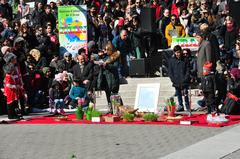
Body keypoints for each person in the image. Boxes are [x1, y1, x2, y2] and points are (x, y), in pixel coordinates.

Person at [97, 42, 120, 114]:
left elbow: (115, 67)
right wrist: (100, 62)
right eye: (105, 50)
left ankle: (117, 109)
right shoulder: (106, 57)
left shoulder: (116, 57)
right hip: (106, 79)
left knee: (114, 95)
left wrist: (107, 65)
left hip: (113, 79)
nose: (105, 51)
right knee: (108, 94)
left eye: (107, 50)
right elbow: (102, 64)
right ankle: (110, 109)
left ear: (111, 50)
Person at [168, 45, 191, 115]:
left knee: (185, 94)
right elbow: (170, 72)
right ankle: (180, 105)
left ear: (181, 52)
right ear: (174, 53)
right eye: (176, 52)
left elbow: (188, 70)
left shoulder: (185, 59)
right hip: (176, 80)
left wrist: (186, 78)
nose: (177, 54)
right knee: (178, 94)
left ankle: (187, 106)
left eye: (178, 52)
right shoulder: (171, 60)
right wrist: (173, 79)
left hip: (184, 80)